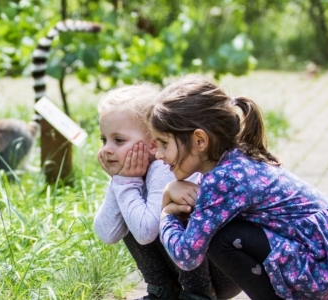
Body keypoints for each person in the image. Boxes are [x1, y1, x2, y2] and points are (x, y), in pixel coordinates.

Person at [148, 74, 328, 300]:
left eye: (164, 143)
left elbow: (186, 255)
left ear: (200, 141)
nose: (159, 154)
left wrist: (166, 214)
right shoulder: (238, 159)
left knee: (221, 238)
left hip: (321, 267)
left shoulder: (222, 179)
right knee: (219, 229)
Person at [93, 83, 241, 300]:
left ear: (153, 143)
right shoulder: (130, 175)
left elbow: (146, 233)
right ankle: (162, 291)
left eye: (119, 140)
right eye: (104, 139)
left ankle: (197, 294)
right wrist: (120, 182)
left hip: (221, 274)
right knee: (130, 211)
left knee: (171, 211)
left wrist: (125, 184)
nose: (107, 149)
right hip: (187, 269)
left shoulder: (164, 167)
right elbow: (107, 233)